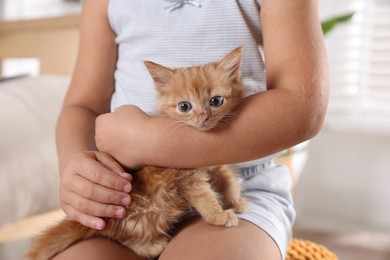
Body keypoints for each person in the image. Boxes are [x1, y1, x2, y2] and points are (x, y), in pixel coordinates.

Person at [55, 0, 329, 259]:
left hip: (235, 187)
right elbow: (83, 105)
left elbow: (304, 107)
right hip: (129, 192)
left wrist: (150, 142)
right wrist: (78, 169)